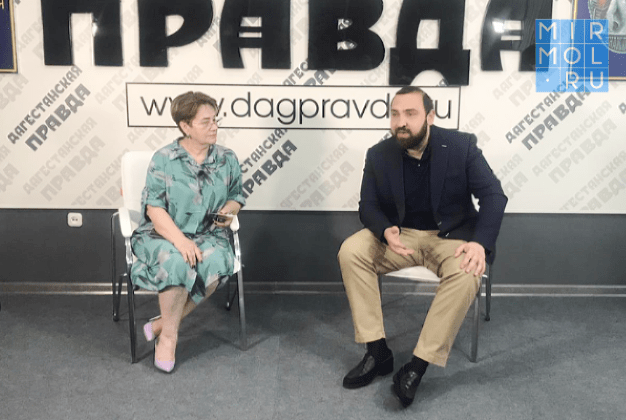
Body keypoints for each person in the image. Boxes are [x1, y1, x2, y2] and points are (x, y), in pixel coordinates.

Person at [337, 86, 507, 407]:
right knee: (352, 251)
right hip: (400, 237)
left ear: (430, 116)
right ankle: (377, 350)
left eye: (410, 113)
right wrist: (384, 229)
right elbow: (367, 205)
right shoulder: (378, 154)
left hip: (450, 238)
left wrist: (479, 244)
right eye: (395, 114)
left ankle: (417, 366)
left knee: (467, 272)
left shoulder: (460, 146)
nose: (401, 122)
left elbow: (494, 196)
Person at [130, 91, 245, 373]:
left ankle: (162, 324)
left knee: (214, 262)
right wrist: (180, 241)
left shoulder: (227, 158)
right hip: (163, 234)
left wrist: (228, 211)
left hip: (209, 234)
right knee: (177, 261)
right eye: (206, 122)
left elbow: (237, 196)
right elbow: (154, 208)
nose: (214, 126)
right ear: (185, 126)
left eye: (215, 120)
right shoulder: (164, 159)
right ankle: (168, 338)